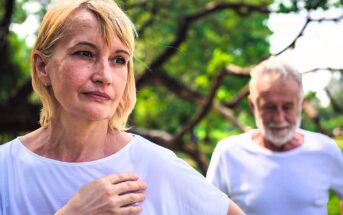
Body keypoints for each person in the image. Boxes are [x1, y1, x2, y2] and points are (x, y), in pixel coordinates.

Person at [0, 0, 246, 214]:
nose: (104, 75)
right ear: (43, 67)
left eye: (119, 60)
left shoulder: (155, 165)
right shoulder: (6, 168)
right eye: (85, 53)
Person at [206, 57, 343, 215]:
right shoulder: (228, 152)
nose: (279, 118)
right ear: (253, 105)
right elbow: (210, 209)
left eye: (287, 107)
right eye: (269, 107)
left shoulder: (325, 149)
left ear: (300, 104)